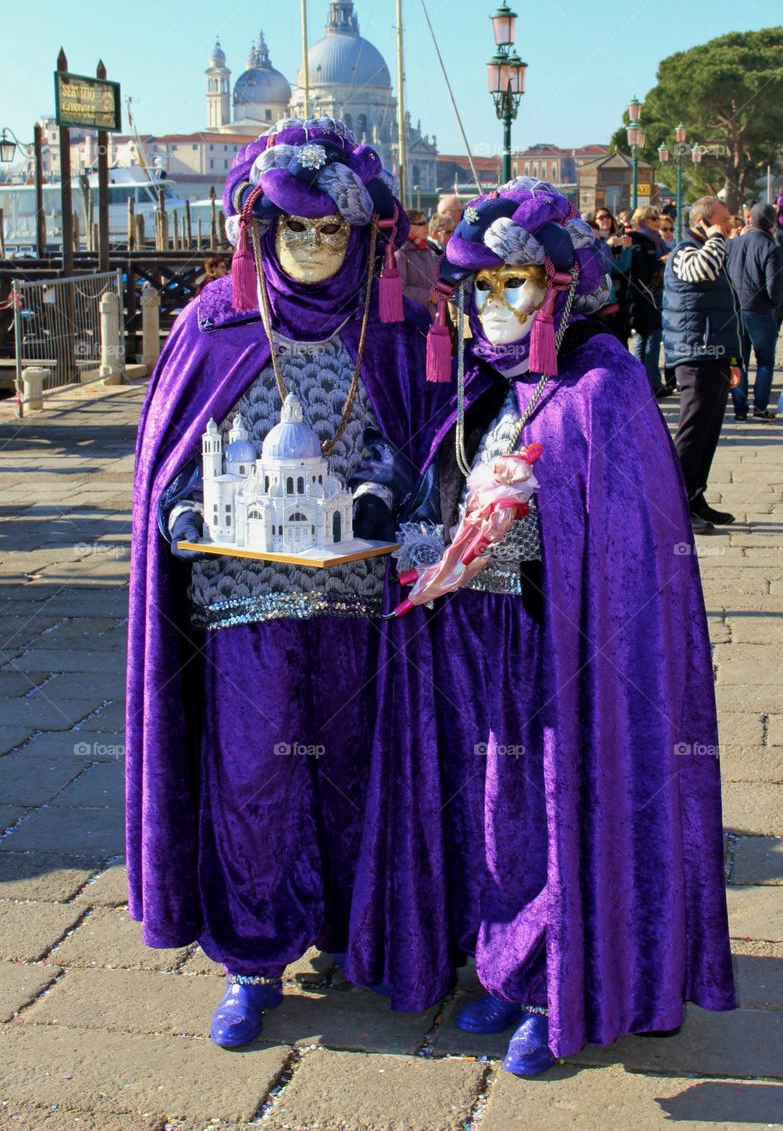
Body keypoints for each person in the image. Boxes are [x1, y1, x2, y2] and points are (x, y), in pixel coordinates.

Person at [383, 176, 735, 1077]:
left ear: (557, 286)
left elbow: (624, 547)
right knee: (493, 811)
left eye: (518, 284)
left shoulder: (602, 383)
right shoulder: (480, 382)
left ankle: (559, 983)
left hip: (566, 651)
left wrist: (534, 542)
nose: (498, 303)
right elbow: (441, 488)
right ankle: (503, 964)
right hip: (479, 642)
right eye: (483, 288)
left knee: (557, 805)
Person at [126, 116, 452, 1048]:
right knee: (253, 777)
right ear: (259, 234)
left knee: (357, 772)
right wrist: (184, 518)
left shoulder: (396, 335)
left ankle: (356, 926)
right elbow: (169, 464)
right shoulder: (213, 328)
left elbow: (428, 452)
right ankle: (254, 955)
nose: (312, 248)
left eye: (331, 232)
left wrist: (391, 502)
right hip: (245, 610)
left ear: (361, 241)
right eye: (293, 230)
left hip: (362, 605)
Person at [663, 196, 742, 533]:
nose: (729, 225)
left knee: (708, 433)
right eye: (723, 220)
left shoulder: (710, 248)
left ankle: (695, 497)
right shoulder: (686, 251)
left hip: (715, 355)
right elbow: (702, 270)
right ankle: (675, 505)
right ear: (703, 222)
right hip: (695, 354)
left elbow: (726, 308)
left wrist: (734, 358)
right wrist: (714, 237)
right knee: (693, 432)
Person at [727, 201, 783, 421]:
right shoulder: (772, 248)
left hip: (735, 309)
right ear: (772, 222)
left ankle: (740, 409)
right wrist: (774, 305)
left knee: (738, 361)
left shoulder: (733, 244)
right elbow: (773, 285)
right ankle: (760, 406)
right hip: (760, 310)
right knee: (765, 361)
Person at [626, 206, 666, 396]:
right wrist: (660, 263)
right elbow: (639, 270)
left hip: (647, 296)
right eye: (653, 218)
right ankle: (653, 383)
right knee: (651, 337)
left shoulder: (652, 241)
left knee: (644, 339)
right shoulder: (641, 241)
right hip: (644, 297)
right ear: (642, 220)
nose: (658, 221)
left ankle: (643, 383)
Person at [394, 209, 439, 313]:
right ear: (407, 226)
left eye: (427, 222)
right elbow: (398, 290)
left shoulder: (426, 248)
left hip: (430, 315)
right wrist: (429, 296)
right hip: (410, 317)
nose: (427, 226)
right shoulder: (399, 252)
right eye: (422, 223)